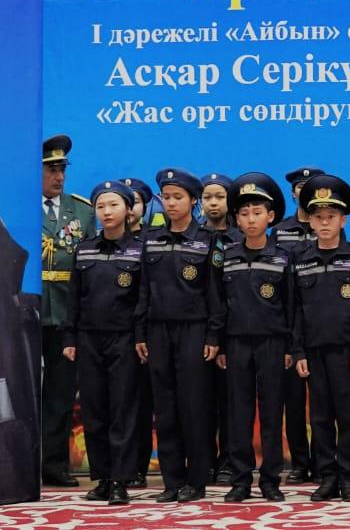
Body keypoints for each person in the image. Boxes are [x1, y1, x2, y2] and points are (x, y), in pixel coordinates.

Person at [134, 168, 223, 503]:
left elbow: (215, 293)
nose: (171, 204)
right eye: (166, 198)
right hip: (158, 330)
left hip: (194, 330)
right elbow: (144, 290)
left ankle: (196, 479)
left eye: (178, 198)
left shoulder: (207, 240)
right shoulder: (151, 239)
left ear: (193, 201)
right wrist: (140, 331)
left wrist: (213, 335)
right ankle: (171, 480)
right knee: (165, 407)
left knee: (194, 406)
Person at [291, 174, 350, 502]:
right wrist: (298, 352)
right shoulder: (300, 260)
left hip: (347, 351)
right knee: (320, 417)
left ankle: (348, 477)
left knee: (348, 416)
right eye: (319, 217)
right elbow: (295, 310)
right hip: (313, 352)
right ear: (310, 221)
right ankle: (326, 476)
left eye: (331, 216)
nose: (325, 223)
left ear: (344, 220)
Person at [61, 180, 142, 506]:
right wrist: (70, 336)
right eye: (100, 206)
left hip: (124, 339)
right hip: (88, 339)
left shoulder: (140, 249)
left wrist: (141, 337)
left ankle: (121, 480)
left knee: (122, 409)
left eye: (113, 205)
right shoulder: (84, 249)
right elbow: (74, 298)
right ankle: (103, 478)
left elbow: (143, 300)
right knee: (94, 410)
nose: (106, 212)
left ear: (128, 210)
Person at [215, 173, 292, 502]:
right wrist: (219, 343)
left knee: (272, 412)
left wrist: (291, 347)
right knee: (238, 413)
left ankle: (271, 479)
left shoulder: (283, 257)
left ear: (270, 217)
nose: (250, 219)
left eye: (257, 213)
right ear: (236, 218)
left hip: (272, 343)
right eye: (244, 213)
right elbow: (218, 303)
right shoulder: (227, 256)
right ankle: (241, 479)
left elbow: (291, 306)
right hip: (236, 344)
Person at [39, 134, 94, 488]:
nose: (59, 176)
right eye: (50, 169)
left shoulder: (82, 212)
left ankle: (54, 464)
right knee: (18, 394)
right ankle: (19, 462)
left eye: (62, 169)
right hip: (26, 313)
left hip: (65, 313)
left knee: (60, 395)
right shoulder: (19, 206)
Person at [277, 166, 321, 484]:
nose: (304, 192)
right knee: (293, 402)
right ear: (293, 193)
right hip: (288, 326)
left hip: (320, 326)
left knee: (322, 402)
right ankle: (299, 463)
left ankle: (322, 461)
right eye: (300, 187)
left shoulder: (329, 225)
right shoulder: (279, 231)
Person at [200, 172, 237, 486]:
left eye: (220, 197)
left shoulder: (240, 237)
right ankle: (204, 461)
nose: (213, 203)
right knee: (201, 401)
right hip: (198, 332)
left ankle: (228, 461)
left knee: (229, 402)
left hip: (231, 331)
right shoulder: (194, 237)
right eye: (207, 197)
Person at [121, 177, 156, 488]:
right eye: (125, 201)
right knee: (121, 403)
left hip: (145, 332)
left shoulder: (153, 241)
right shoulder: (99, 242)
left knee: (144, 403)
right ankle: (123, 468)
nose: (130, 208)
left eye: (135, 202)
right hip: (115, 332)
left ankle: (141, 467)